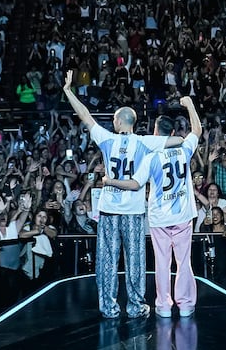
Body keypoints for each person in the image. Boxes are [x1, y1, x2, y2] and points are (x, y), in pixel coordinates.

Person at [62, 69, 183, 319]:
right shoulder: (145, 142)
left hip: (108, 210)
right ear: (134, 123)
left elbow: (84, 115)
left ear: (117, 123)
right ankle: (136, 306)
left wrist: (68, 91)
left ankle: (109, 308)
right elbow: (177, 142)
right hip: (133, 212)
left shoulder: (106, 139)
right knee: (135, 261)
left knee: (107, 261)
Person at [103, 95, 202, 318]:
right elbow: (197, 130)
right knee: (183, 262)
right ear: (174, 134)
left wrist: (110, 181)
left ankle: (164, 306)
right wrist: (189, 105)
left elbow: (135, 184)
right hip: (183, 216)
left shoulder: (151, 157)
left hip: (159, 219)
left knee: (162, 264)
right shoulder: (185, 149)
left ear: (156, 134)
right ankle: (185, 305)